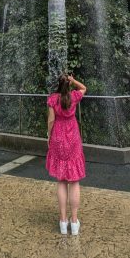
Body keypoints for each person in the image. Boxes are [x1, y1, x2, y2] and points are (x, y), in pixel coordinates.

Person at [46, 73, 87, 235]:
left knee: (61, 181)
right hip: (73, 138)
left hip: (58, 137)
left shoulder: (52, 99)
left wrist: (49, 137)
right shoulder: (74, 96)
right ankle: (74, 222)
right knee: (74, 181)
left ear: (58, 84)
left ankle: (63, 222)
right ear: (68, 85)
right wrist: (74, 80)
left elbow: (50, 121)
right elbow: (84, 88)